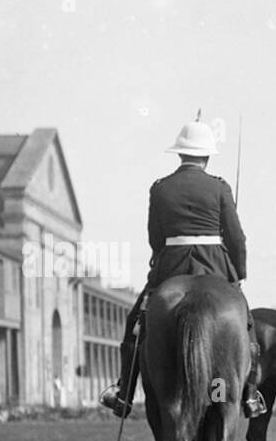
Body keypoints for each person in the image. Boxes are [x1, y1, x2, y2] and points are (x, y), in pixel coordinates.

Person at [100, 120, 265, 419]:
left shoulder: (160, 188)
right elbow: (237, 237)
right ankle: (249, 395)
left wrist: (162, 259)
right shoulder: (219, 186)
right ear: (208, 156)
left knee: (135, 324)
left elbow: (154, 236)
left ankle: (124, 392)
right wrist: (237, 273)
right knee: (247, 326)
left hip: (170, 266)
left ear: (179, 154)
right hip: (215, 264)